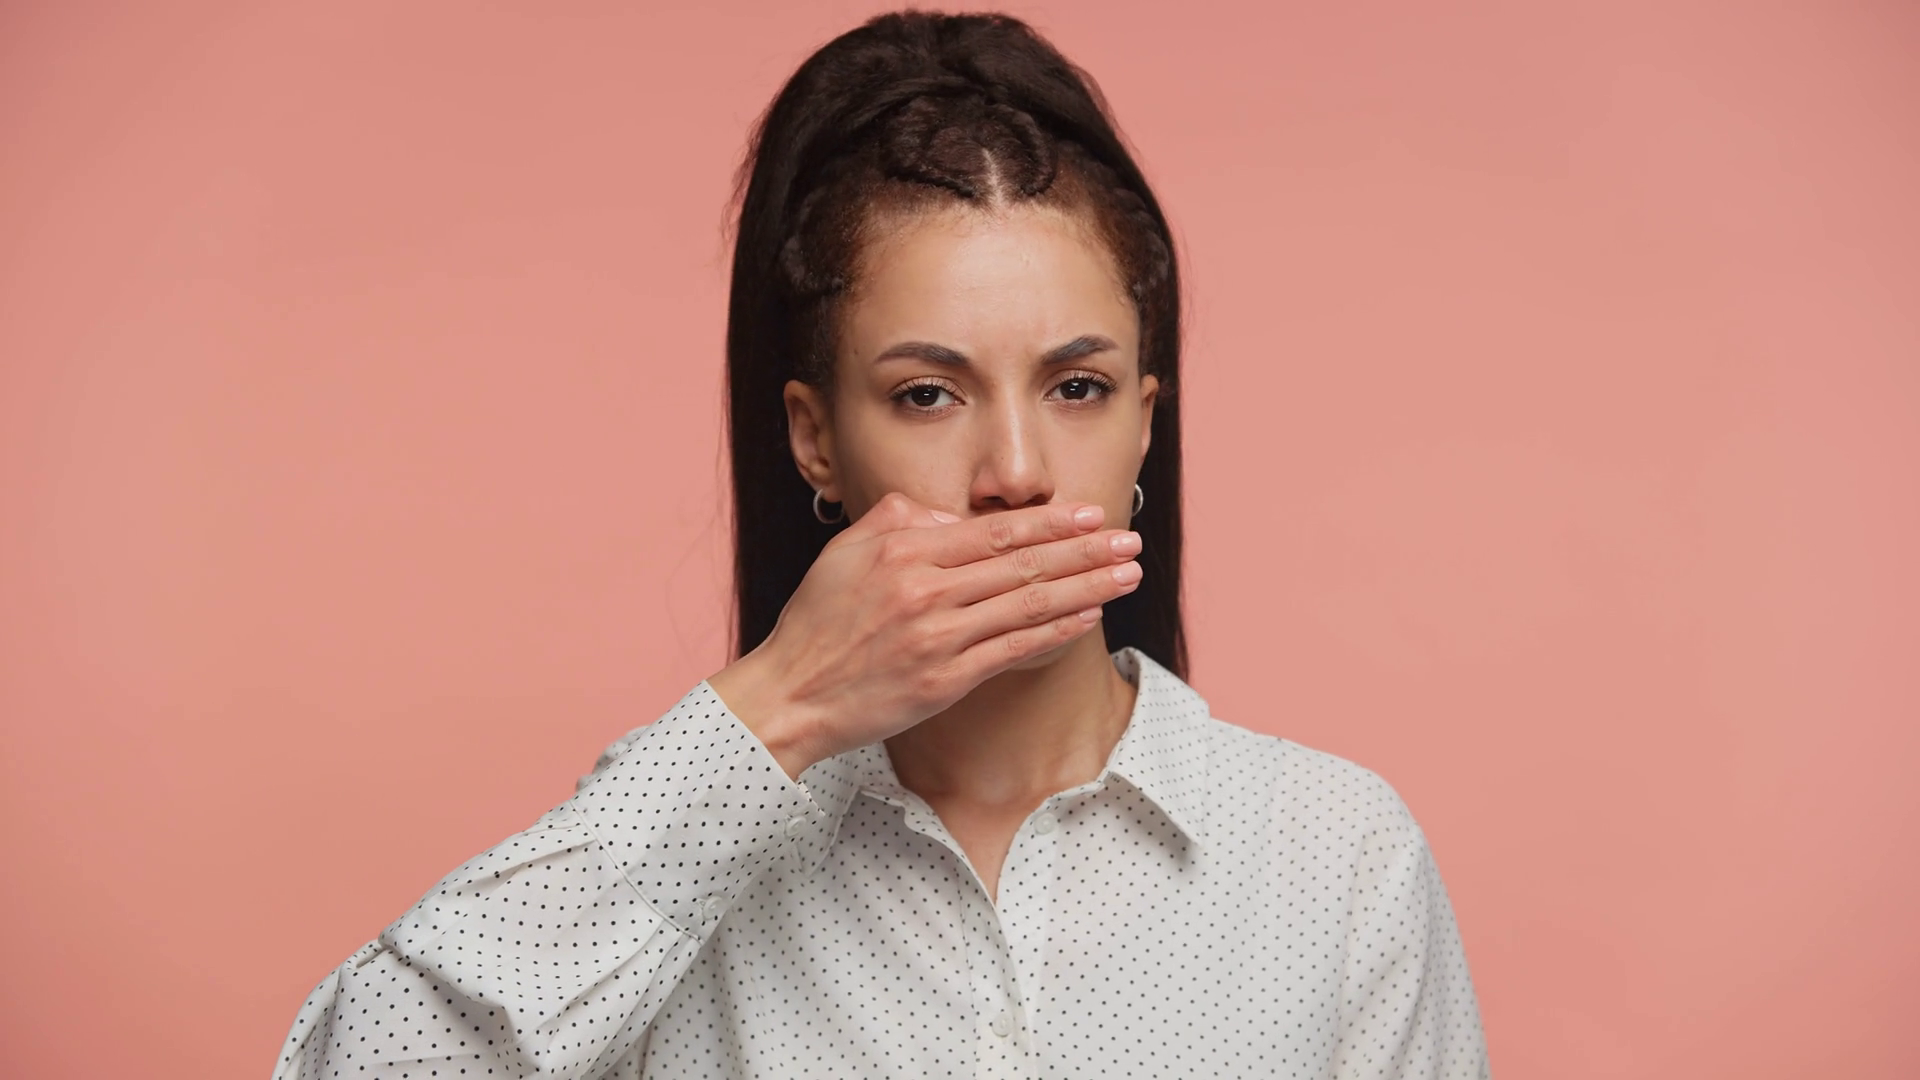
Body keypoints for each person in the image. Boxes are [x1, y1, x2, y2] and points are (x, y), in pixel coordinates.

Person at [271, 10, 1489, 1078]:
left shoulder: (1336, 859)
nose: (1016, 473)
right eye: (928, 394)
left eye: (1077, 387)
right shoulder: (681, 851)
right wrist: (782, 708)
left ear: (1143, 422)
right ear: (815, 440)